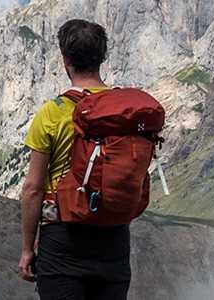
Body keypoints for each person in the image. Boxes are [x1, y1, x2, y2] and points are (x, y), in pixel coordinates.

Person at [15, 19, 133, 300]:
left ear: (65, 59)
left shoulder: (53, 112)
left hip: (62, 239)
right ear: (103, 56)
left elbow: (32, 189)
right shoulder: (126, 112)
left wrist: (28, 249)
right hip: (114, 240)